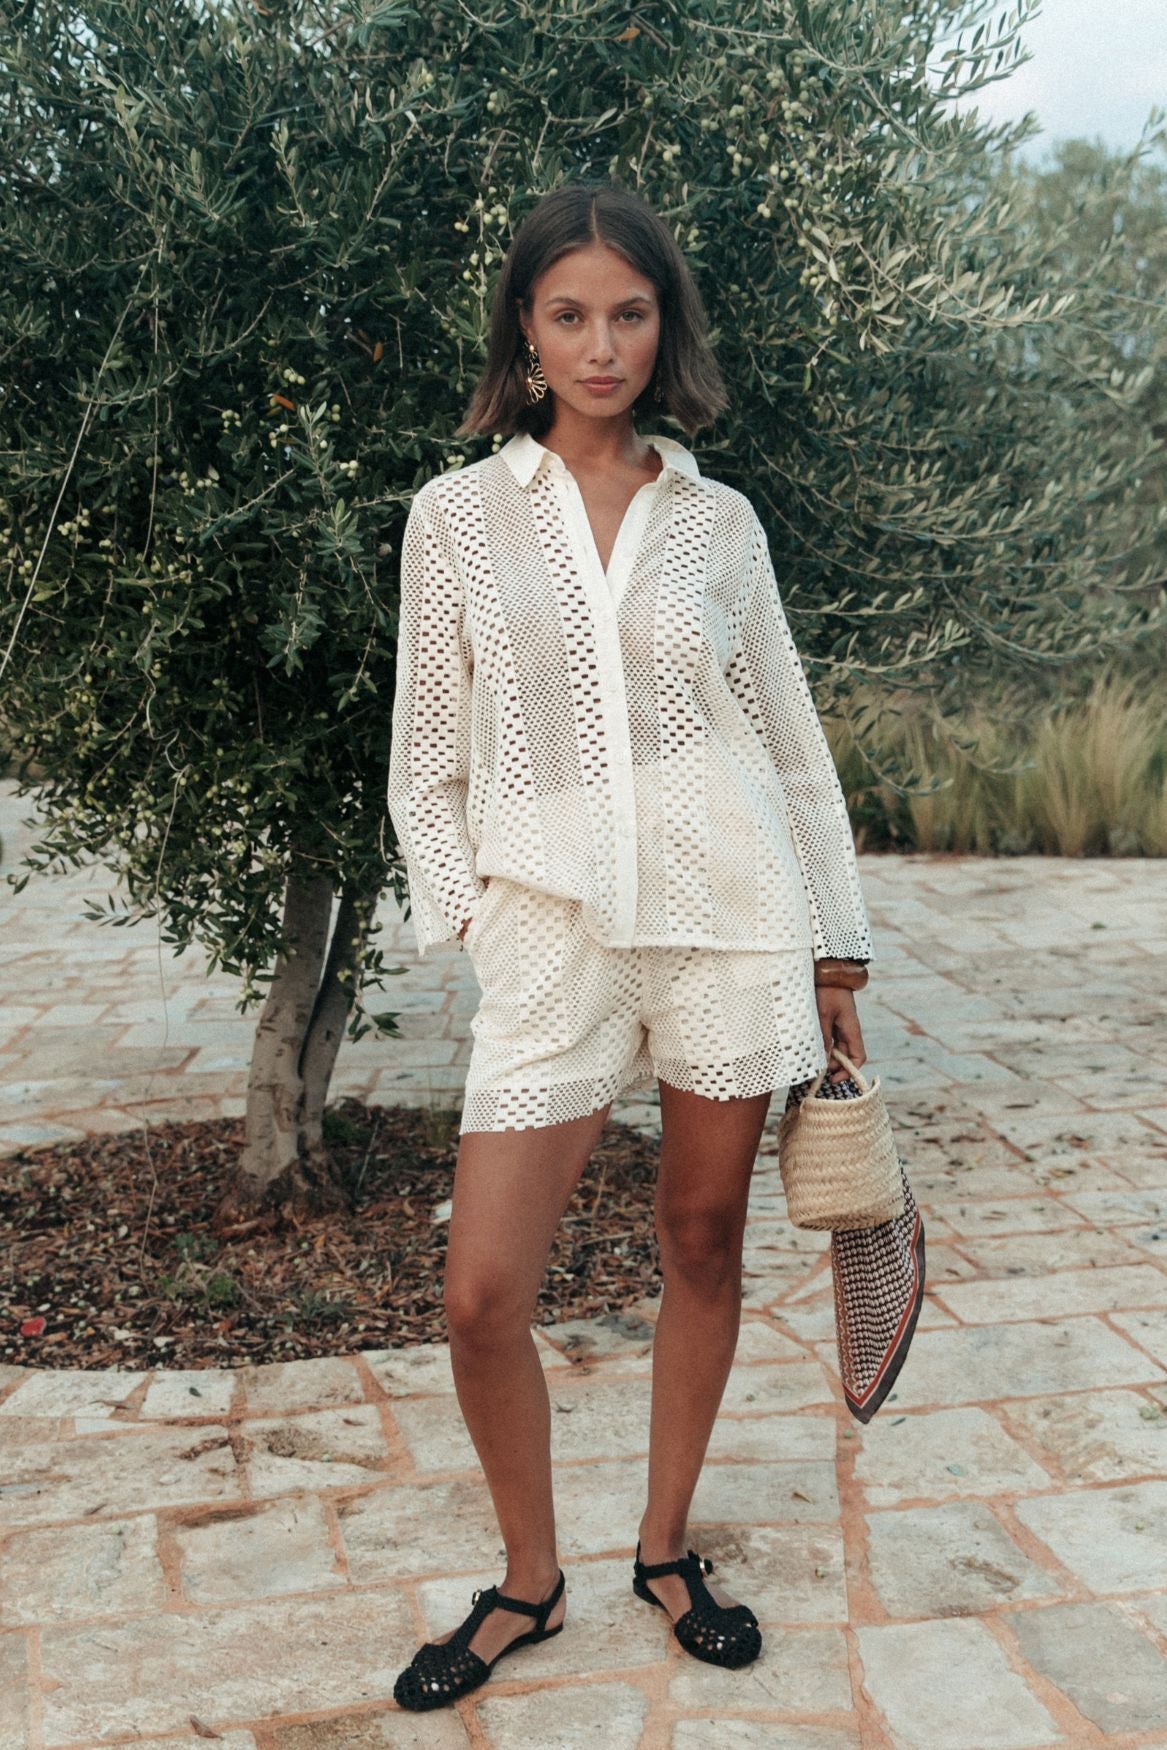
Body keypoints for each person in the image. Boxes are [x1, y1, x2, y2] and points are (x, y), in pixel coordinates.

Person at [387, 181, 871, 1711]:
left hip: (732, 917)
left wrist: (836, 952)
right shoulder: (458, 517)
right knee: (482, 1293)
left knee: (704, 1236)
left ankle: (666, 1547)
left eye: (631, 313)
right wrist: (479, 914)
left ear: (666, 328)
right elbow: (423, 762)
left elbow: (787, 743)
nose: (602, 345)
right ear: (525, 333)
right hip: (553, 935)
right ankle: (529, 1577)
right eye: (571, 314)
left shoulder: (722, 523)